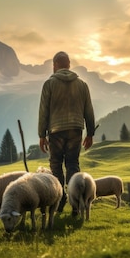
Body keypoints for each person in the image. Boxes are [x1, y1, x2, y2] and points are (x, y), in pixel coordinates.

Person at [38, 51, 96, 215]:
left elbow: (43, 111)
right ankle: (76, 203)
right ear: (69, 65)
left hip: (55, 130)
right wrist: (90, 133)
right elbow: (89, 111)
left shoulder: (49, 84)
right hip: (76, 130)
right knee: (72, 164)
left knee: (56, 165)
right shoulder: (82, 84)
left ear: (54, 66)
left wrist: (41, 135)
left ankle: (59, 200)